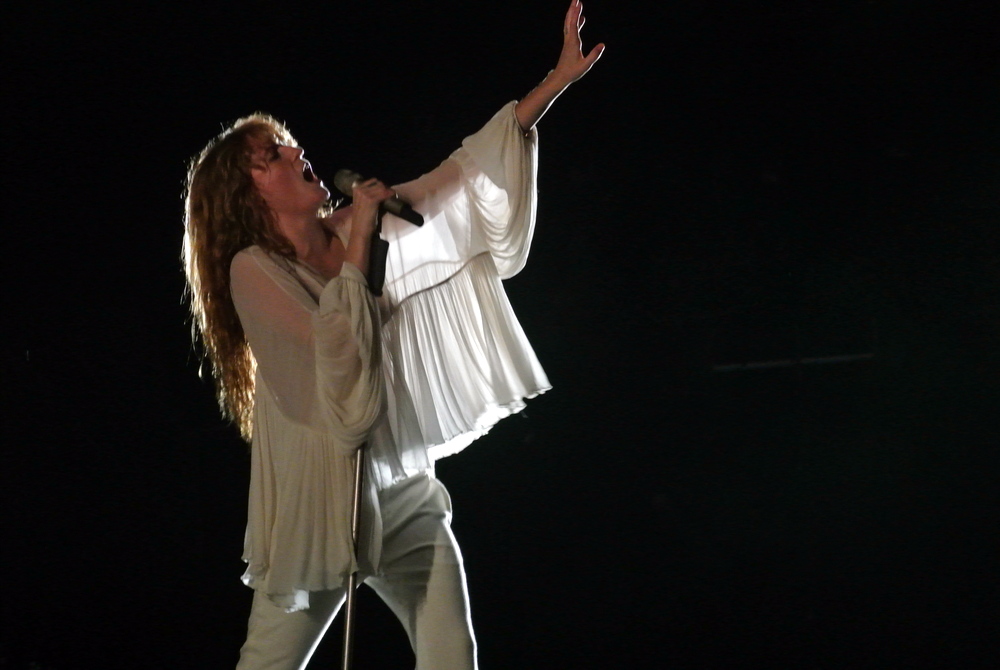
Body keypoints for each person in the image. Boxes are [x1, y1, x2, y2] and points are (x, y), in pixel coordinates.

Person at [182, 2, 603, 668]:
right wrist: (362, 238)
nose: (297, 152)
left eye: (288, 143)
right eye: (275, 153)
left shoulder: (359, 224)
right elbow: (335, 360)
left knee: (450, 653)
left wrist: (553, 84)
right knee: (270, 661)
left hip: (400, 485)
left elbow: (458, 180)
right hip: (322, 502)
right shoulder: (254, 271)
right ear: (250, 186)